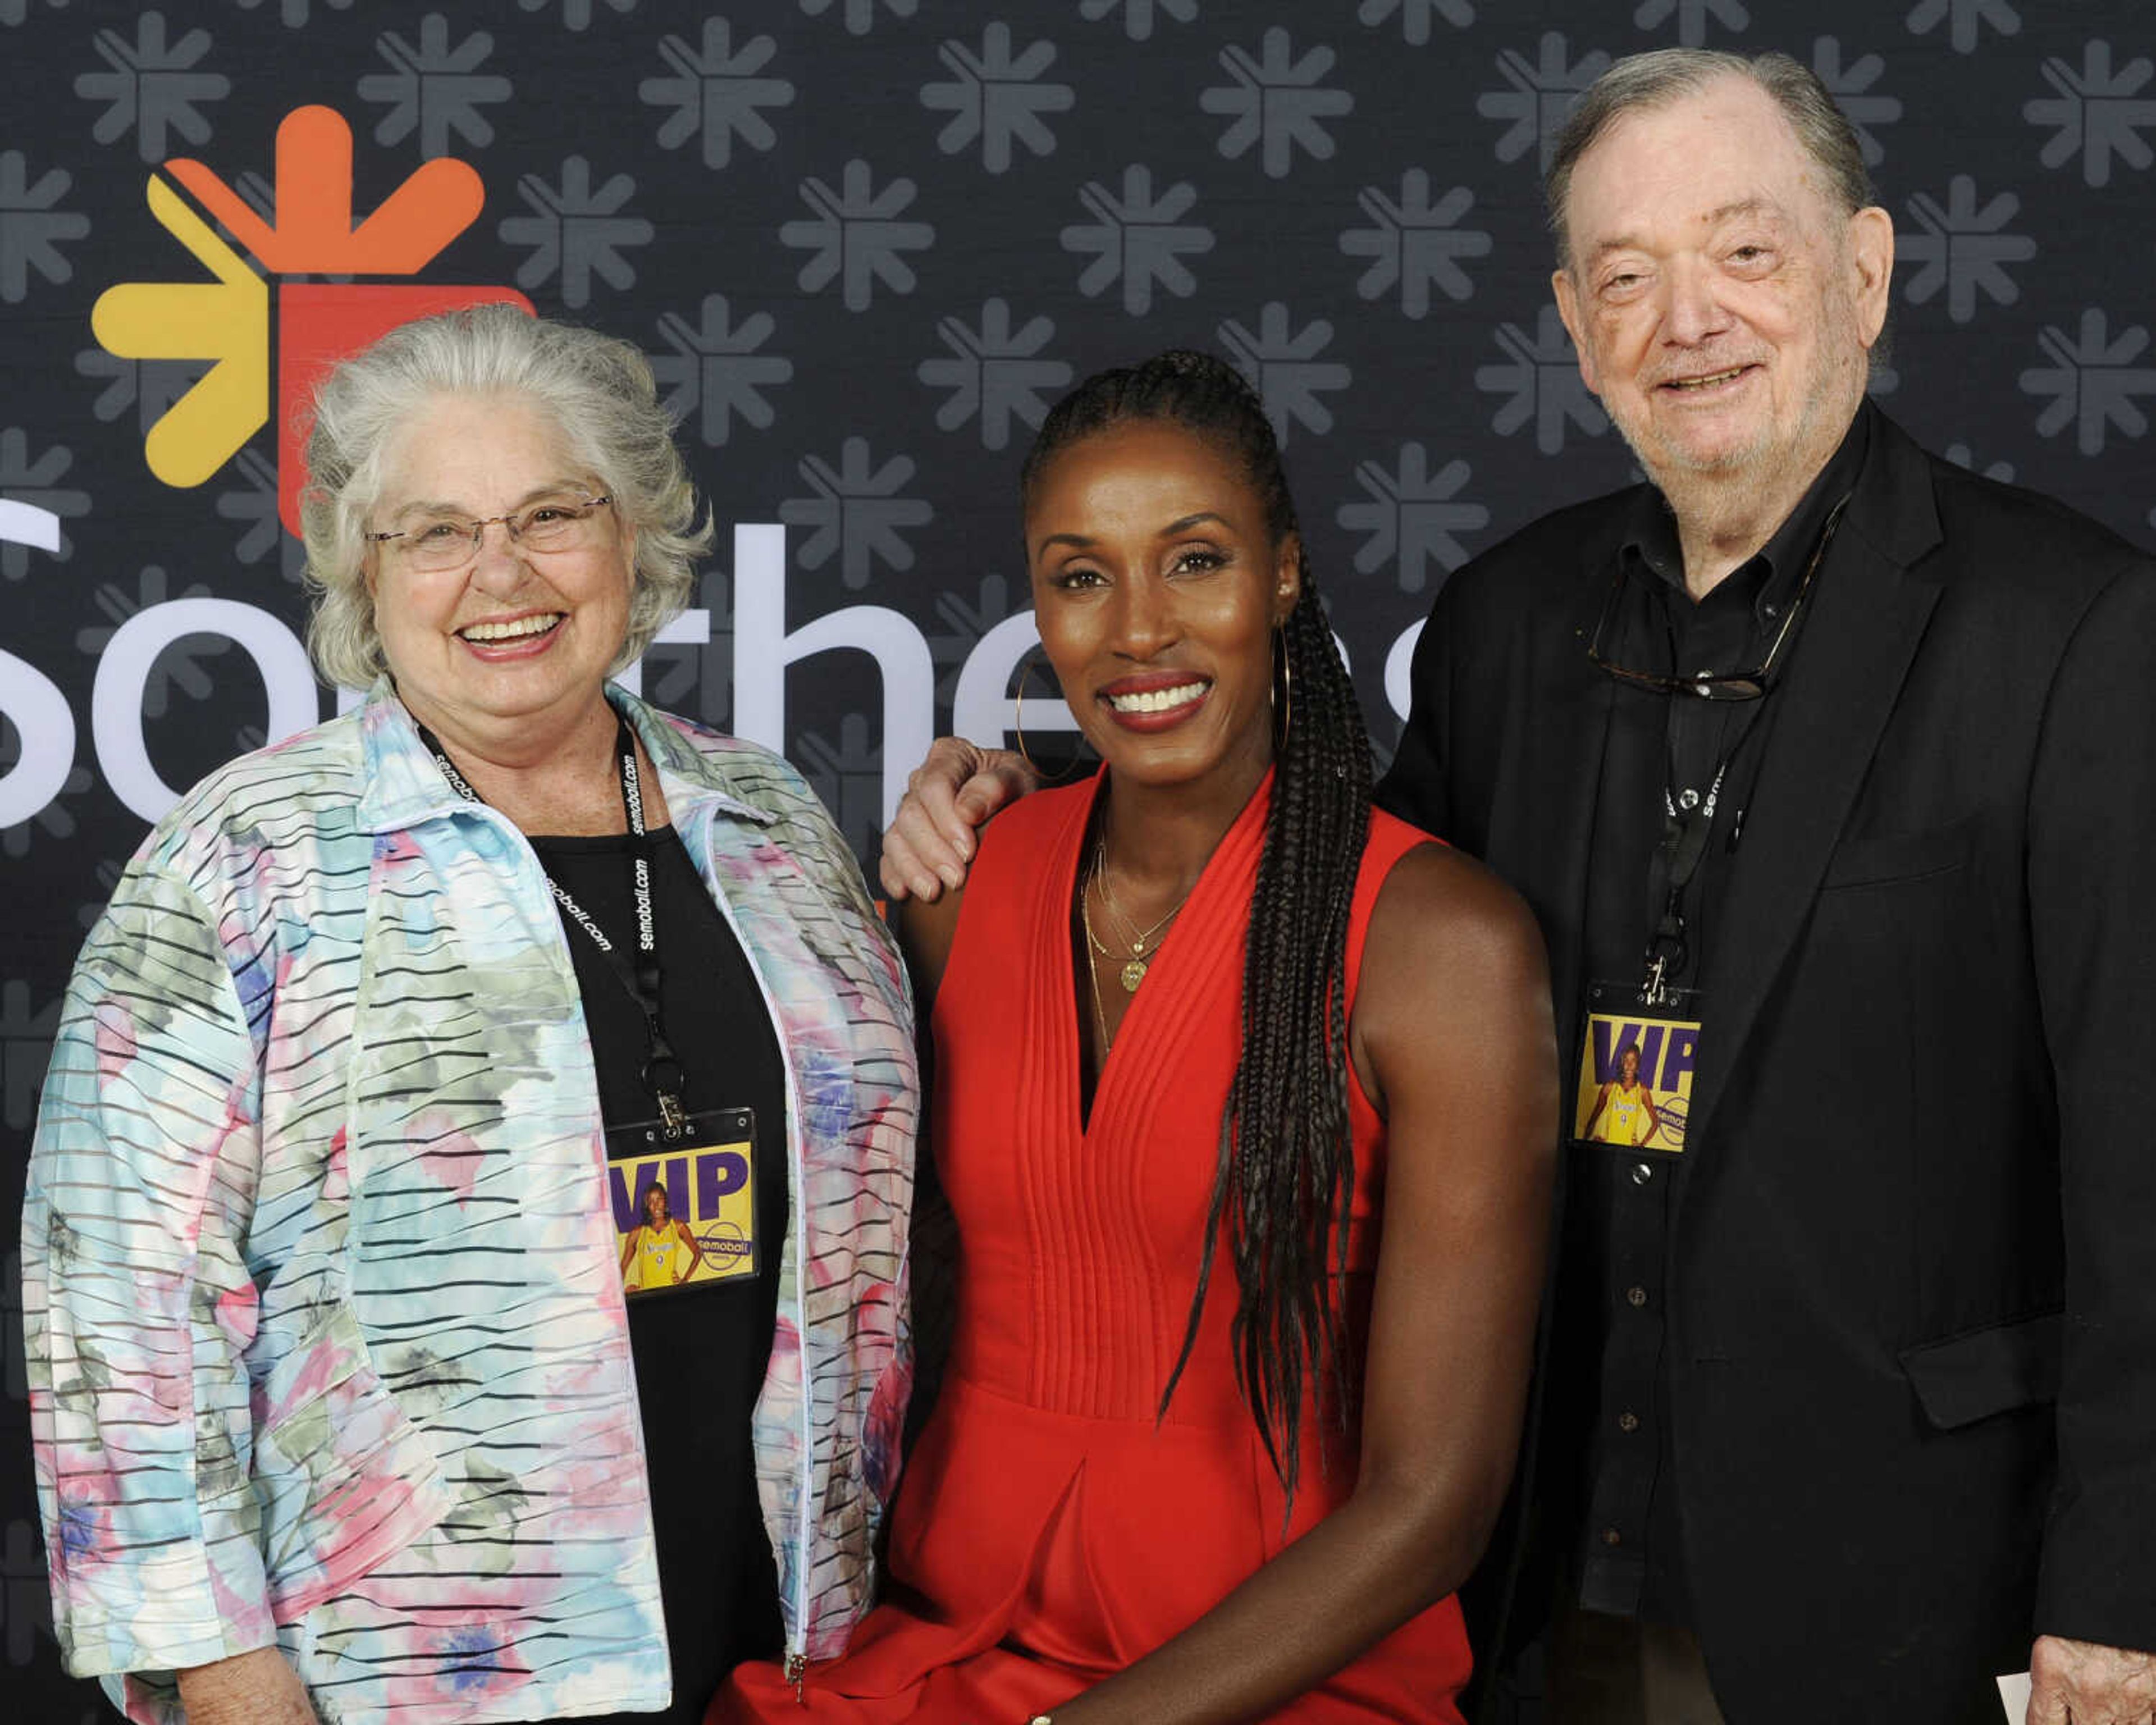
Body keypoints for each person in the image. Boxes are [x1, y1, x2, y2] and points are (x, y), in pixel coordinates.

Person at [877, 49, 2156, 1725]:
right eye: (1627, 277)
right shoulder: (1509, 620)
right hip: (1544, 1577)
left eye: (1741, 254)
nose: (1683, 319)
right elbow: (1310, 902)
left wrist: (2117, 1595)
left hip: (1904, 1580)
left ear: (1860, 270)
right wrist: (1031, 796)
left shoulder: (2067, 633)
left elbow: (2142, 1155)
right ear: (1572, 324)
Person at [20, 306, 918, 1725]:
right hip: (407, 1675)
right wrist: (222, 1672)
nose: (499, 572)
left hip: (785, 1645)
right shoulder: (239, 862)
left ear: (631, 539)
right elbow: (116, 1310)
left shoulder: (769, 823)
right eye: (434, 531)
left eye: (551, 512)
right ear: (363, 577)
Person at [721, 351, 1556, 1723]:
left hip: (1281, 1679)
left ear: (1282, 575)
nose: (1139, 630)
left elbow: (1434, 1501)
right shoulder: (963, 886)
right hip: (946, 1648)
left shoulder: (1440, 947)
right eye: (1082, 575)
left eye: (1195, 560)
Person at [622, 1180, 706, 1290]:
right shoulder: (637, 1234)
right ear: (647, 1205)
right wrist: (622, 1292)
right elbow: (622, 1268)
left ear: (665, 1201)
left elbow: (698, 1253)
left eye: (659, 1199)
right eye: (651, 1201)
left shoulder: (678, 1227)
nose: (656, 1205)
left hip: (671, 1293)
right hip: (646, 1296)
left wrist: (685, 1280)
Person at [1580, 1046, 1659, 1149]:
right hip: (1609, 1149)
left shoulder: (1642, 1091)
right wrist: (1586, 1142)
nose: (1629, 1065)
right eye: (1626, 1060)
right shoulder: (1610, 1087)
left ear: (1638, 1064)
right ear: (1622, 1063)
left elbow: (1655, 1122)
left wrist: (1642, 1146)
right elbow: (1593, 1118)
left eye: (1633, 1060)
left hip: (1629, 1151)